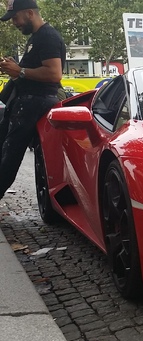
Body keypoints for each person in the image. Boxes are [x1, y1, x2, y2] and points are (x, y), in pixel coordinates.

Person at [0, 0, 65, 201]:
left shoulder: (47, 36)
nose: (14, 23)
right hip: (27, 102)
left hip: (35, 103)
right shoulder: (37, 37)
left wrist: (19, 71)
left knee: (10, 154)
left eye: (15, 18)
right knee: (5, 149)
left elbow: (54, 74)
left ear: (29, 13)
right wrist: (16, 69)